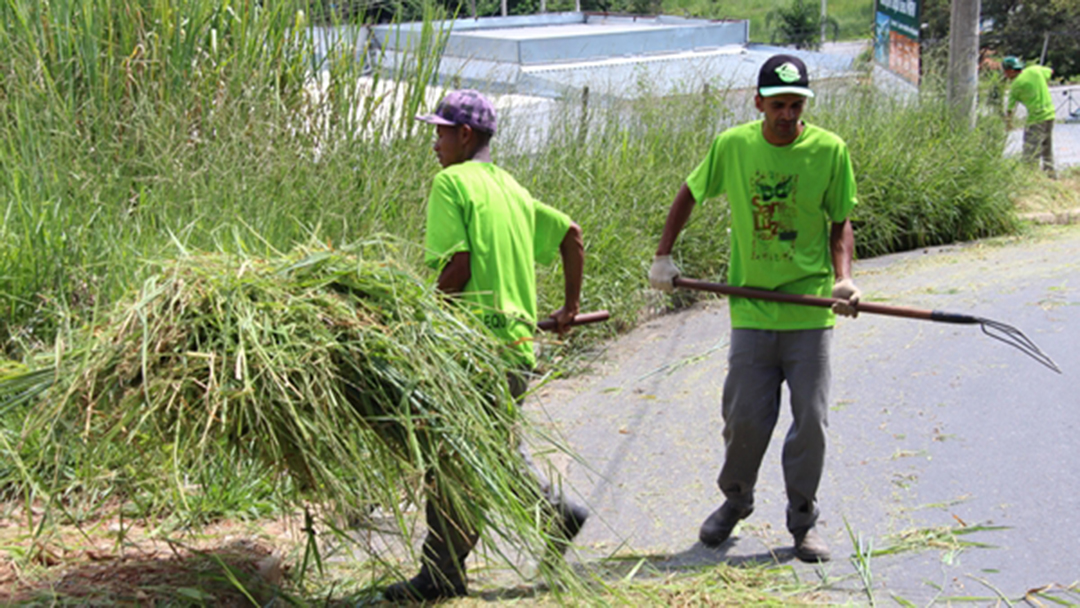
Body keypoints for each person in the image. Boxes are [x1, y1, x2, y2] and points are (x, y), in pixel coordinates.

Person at [648, 54, 860, 563]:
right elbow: (689, 193)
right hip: (752, 309)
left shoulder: (829, 151)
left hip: (808, 308)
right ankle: (735, 500)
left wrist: (845, 278)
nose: (787, 114)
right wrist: (663, 255)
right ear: (759, 101)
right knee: (744, 419)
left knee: (810, 419)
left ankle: (803, 519)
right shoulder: (734, 145)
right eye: (778, 104)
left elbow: (840, 222)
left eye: (797, 104)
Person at [383, 89, 589, 602]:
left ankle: (444, 574)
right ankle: (542, 519)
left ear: (464, 135)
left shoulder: (451, 184)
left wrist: (421, 323)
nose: (434, 143)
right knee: (486, 454)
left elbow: (458, 266)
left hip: (473, 353)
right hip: (516, 350)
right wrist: (568, 309)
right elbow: (572, 235)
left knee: (453, 461)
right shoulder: (512, 189)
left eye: (440, 132)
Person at [1002, 55, 1056, 177]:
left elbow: (1010, 109)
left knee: (1030, 151)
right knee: (1047, 148)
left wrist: (1008, 124)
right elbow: (1050, 71)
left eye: (1005, 72)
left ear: (1010, 71)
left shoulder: (1016, 86)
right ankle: (1051, 175)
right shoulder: (1035, 70)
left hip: (1035, 119)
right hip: (1050, 115)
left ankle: (1029, 178)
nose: (1005, 75)